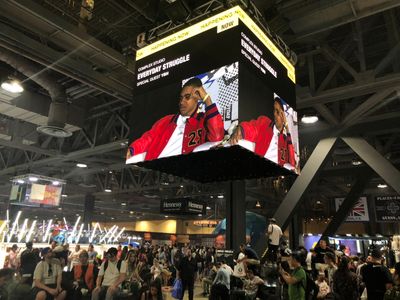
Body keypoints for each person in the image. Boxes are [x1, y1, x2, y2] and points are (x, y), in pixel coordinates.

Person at [127, 77, 224, 162]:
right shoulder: (166, 120)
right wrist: (133, 149)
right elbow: (148, 138)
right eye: (181, 98)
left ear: (197, 97)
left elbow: (217, 137)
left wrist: (207, 99)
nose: (182, 102)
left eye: (187, 97)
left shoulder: (203, 120)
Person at [229, 97, 297, 171]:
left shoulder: (286, 140)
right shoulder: (265, 123)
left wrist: (287, 129)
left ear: (284, 117)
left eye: (277, 112)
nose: (274, 114)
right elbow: (253, 128)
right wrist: (241, 130)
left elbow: (292, 163)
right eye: (274, 110)